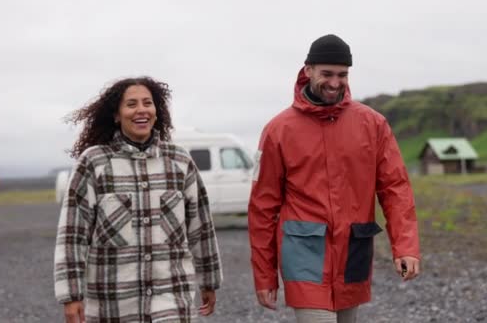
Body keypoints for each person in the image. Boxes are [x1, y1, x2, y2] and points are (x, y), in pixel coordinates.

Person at [248, 34, 420, 323]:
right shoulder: (278, 130)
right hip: (303, 253)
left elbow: (395, 189)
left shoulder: (373, 125)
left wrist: (405, 247)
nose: (335, 82)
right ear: (308, 70)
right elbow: (262, 208)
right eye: (326, 73)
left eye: (342, 75)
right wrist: (264, 276)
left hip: (354, 250)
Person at [54, 77, 222, 323]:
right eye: (131, 104)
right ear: (116, 115)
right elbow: (72, 234)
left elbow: (201, 227)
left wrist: (209, 280)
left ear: (157, 111)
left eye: (147, 103)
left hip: (172, 301)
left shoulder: (179, 161)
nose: (141, 110)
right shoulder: (94, 162)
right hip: (113, 305)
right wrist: (71, 296)